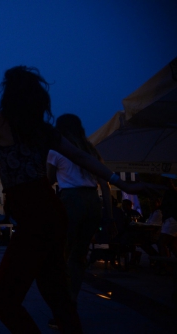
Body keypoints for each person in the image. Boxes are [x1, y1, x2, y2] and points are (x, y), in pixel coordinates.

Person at [0, 66, 164, 333]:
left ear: (9, 93)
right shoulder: (44, 130)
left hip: (35, 217)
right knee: (56, 295)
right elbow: (83, 157)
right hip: (52, 212)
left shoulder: (1, 121)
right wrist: (122, 182)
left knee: (2, 299)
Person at [46, 113, 112, 329]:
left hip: (71, 200)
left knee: (60, 256)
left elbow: (48, 180)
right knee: (79, 257)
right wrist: (108, 215)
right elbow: (104, 184)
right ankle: (72, 301)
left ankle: (63, 310)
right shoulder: (91, 151)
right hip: (92, 202)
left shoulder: (56, 149)